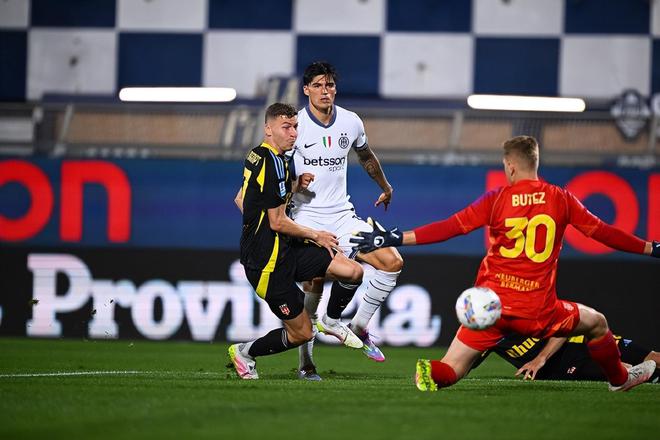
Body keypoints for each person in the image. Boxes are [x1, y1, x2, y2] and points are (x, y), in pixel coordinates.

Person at [351, 135, 659, 392]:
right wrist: (650, 248)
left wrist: (395, 238)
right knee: (597, 323)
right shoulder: (561, 198)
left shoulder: (497, 199)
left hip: (492, 307)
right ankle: (619, 379)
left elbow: (450, 227)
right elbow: (603, 233)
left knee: (452, 368)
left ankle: (432, 373)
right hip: (539, 311)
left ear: (510, 166)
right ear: (535, 162)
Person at [229, 102, 365, 380]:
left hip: (286, 249)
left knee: (352, 271)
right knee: (303, 333)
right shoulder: (271, 163)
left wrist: (293, 186)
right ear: (268, 129)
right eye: (286, 127)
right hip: (266, 263)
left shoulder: (263, 156)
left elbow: (241, 199)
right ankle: (244, 352)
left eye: (295, 127)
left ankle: (332, 321)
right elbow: (277, 221)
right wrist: (316, 234)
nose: (293, 133)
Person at [288, 61, 404, 380]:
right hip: (307, 220)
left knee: (392, 261)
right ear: (306, 89)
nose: (325, 91)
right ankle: (306, 362)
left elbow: (365, 155)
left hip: (343, 216)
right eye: (318, 85)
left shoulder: (351, 121)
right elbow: (277, 172)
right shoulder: (295, 126)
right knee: (313, 285)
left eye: (330, 85)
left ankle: (359, 326)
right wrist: (294, 185)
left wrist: (385, 187)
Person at [471, 334, 659, 383]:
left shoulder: (526, 309)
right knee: (625, 370)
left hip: (583, 341)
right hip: (567, 366)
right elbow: (462, 363)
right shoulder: (485, 335)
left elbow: (563, 328)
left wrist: (540, 358)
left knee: (653, 357)